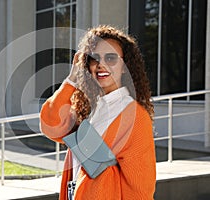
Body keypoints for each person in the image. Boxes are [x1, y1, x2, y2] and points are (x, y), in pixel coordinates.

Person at [39, 25, 156, 200]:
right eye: (94, 58)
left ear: (125, 66)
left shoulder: (135, 116)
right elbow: (50, 124)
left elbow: (140, 188)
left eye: (110, 58)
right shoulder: (90, 108)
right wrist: (72, 80)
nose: (100, 65)